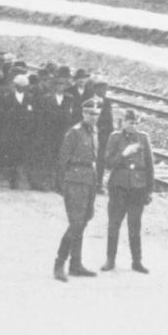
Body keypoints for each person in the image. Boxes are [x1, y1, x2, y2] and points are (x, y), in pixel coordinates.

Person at [54, 98, 101, 282]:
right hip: (74, 181)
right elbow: (62, 159)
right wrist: (61, 184)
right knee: (76, 223)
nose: (93, 117)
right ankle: (59, 264)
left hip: (89, 180)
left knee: (84, 220)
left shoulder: (93, 132)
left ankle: (76, 264)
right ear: (83, 114)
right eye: (90, 113)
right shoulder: (74, 133)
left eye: (96, 114)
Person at [101, 109, 154, 273]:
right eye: (130, 122)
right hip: (119, 187)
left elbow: (149, 166)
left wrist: (149, 190)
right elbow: (108, 163)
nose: (134, 125)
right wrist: (124, 153)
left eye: (136, 122)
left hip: (138, 188)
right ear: (123, 122)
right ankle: (110, 260)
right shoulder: (115, 137)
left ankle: (137, 261)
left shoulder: (143, 138)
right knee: (114, 224)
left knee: (135, 226)